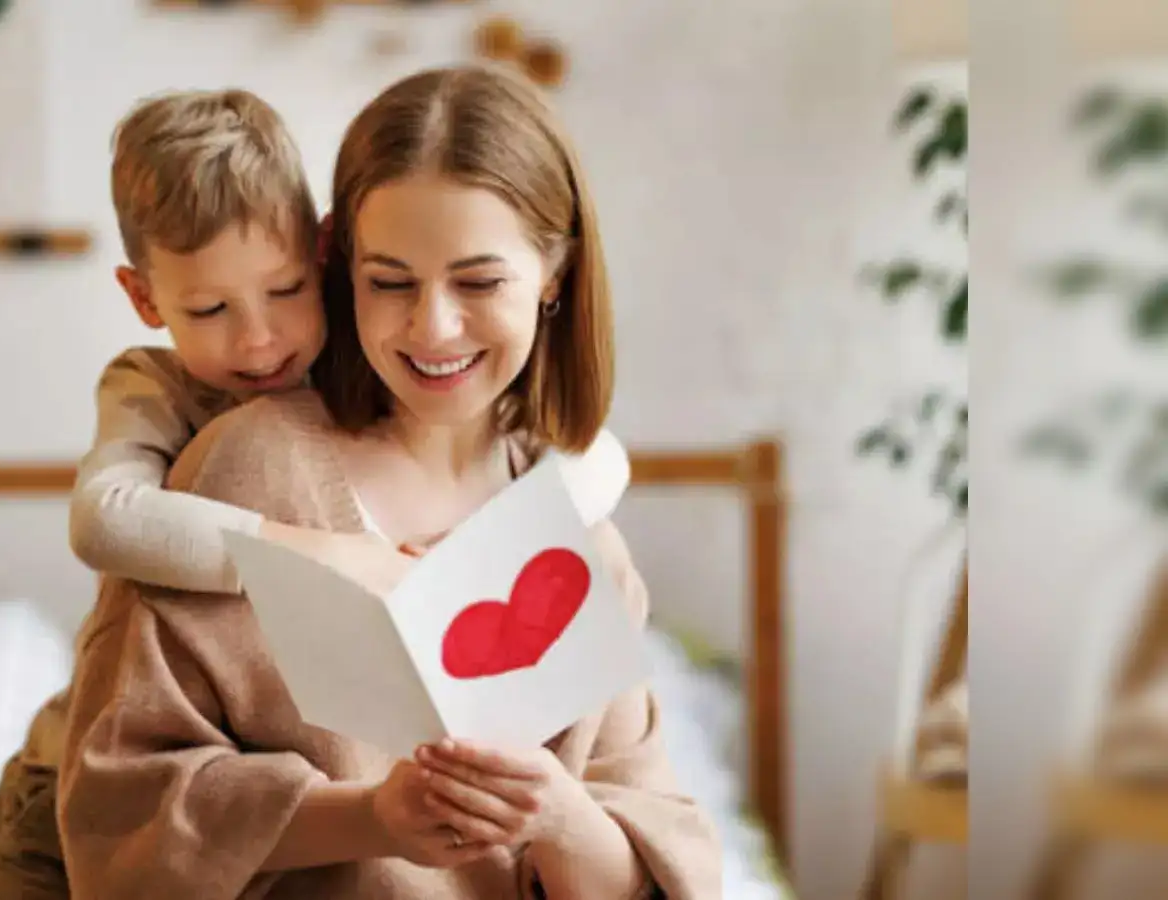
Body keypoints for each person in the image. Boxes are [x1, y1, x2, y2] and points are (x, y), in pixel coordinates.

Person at [51, 65, 723, 899]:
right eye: (390, 282)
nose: (432, 328)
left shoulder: (582, 535)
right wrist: (370, 818)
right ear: (342, 263)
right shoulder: (242, 470)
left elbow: (654, 867)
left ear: (554, 274)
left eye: (479, 281)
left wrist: (556, 814)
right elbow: (122, 817)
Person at [67, 88, 631, 598]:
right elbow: (102, 520)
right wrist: (318, 556)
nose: (260, 341)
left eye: (287, 290)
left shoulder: (367, 347)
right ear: (143, 298)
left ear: (321, 252)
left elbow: (596, 455)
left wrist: (500, 538)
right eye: (209, 310)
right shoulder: (152, 387)